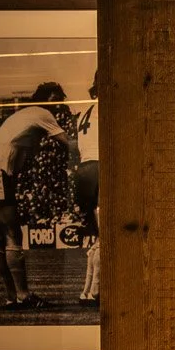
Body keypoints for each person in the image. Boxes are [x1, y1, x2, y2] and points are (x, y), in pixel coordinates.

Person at [0, 81, 72, 309]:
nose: (59, 105)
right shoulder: (43, 113)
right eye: (56, 99)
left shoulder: (27, 113)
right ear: (47, 98)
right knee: (13, 234)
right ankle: (23, 296)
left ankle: (11, 297)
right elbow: (69, 144)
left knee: (2, 237)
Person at [73, 76, 100, 305]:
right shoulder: (108, 108)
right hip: (100, 167)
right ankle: (95, 291)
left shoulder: (84, 112)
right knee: (106, 236)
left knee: (98, 237)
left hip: (83, 170)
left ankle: (87, 291)